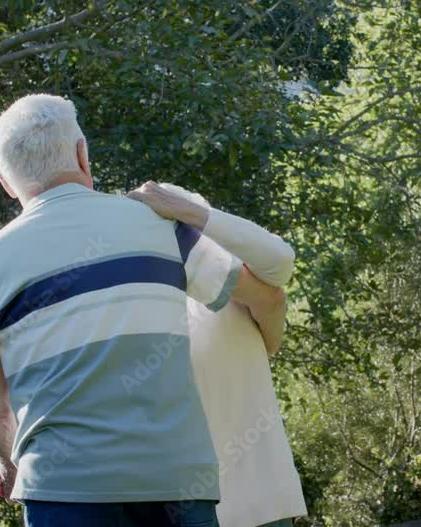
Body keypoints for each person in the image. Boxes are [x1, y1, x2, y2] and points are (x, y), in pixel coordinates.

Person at [0, 94, 285, 527]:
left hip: (62, 492)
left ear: (4, 180)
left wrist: (7, 464)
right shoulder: (157, 224)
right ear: (81, 154)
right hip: (178, 484)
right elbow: (265, 289)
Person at [127, 182, 307, 527]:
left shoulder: (236, 286)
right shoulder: (243, 295)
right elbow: (275, 304)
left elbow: (280, 261)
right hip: (206, 506)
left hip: (259, 502)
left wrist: (186, 211)